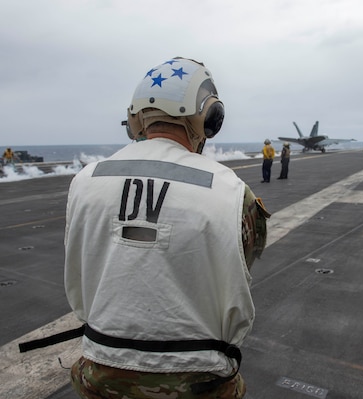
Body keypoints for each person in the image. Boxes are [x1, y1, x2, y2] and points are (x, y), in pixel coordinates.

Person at [64, 57, 270, 399]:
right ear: (209, 118)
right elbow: (247, 257)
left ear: (135, 119)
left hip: (102, 370)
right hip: (198, 381)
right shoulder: (234, 193)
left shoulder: (85, 181)